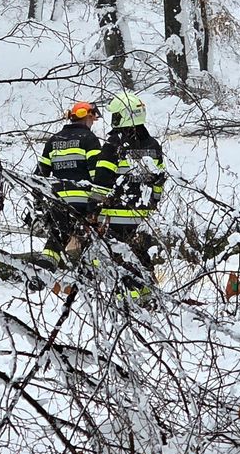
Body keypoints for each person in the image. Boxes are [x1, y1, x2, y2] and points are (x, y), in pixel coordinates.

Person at [90, 91, 166, 299]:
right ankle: (148, 294)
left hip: (115, 215)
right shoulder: (153, 145)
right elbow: (159, 180)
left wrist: (92, 209)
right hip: (142, 216)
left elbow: (102, 181)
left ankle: (126, 301)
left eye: (115, 116)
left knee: (118, 259)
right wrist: (153, 205)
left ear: (123, 116)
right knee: (141, 257)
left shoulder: (114, 145)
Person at [33, 100, 104, 270]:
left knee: (57, 236)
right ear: (87, 117)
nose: (92, 123)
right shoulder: (89, 139)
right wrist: (98, 203)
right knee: (91, 238)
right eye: (92, 119)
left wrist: (39, 204)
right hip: (83, 202)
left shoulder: (53, 140)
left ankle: (45, 267)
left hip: (58, 201)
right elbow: (98, 175)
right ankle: (90, 271)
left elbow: (40, 175)